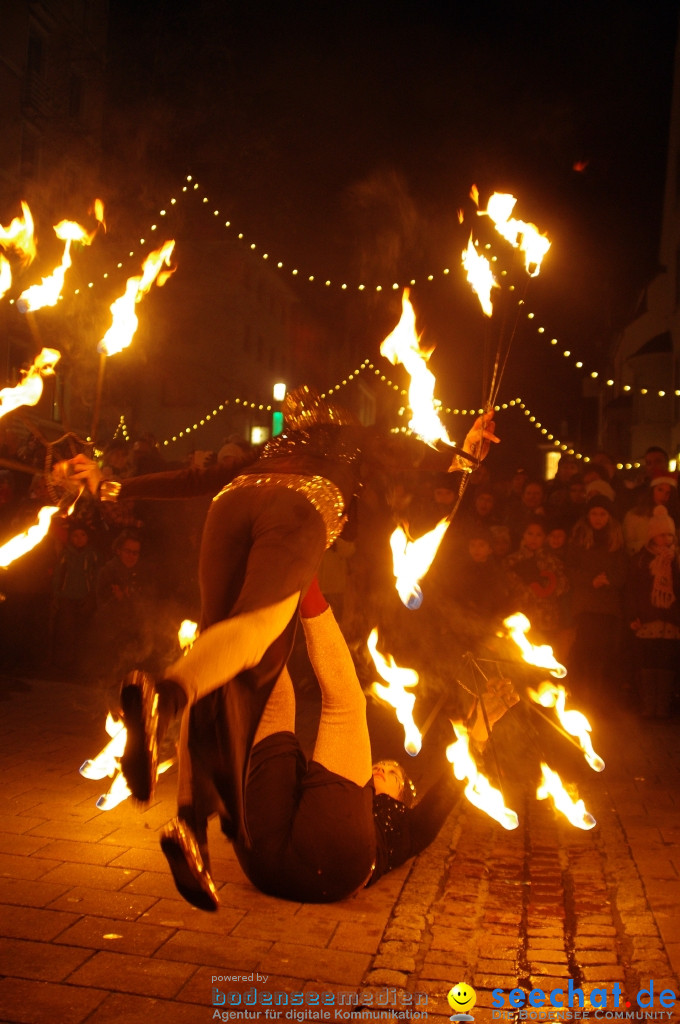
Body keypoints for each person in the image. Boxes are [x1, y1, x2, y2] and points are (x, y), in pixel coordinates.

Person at [71, 389, 498, 849]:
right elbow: (409, 450)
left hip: (230, 504)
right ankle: (166, 705)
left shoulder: (269, 451)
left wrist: (110, 486)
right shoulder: (353, 437)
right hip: (298, 509)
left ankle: (190, 825)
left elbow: (193, 479)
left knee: (218, 657)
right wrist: (463, 456)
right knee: (257, 631)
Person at [158, 578, 518, 910]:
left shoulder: (408, 828)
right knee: (271, 688)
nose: (381, 767)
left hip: (329, 870)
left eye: (392, 773)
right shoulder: (327, 789)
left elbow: (447, 794)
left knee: (346, 703)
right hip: (262, 857)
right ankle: (253, 598)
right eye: (384, 764)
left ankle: (305, 579)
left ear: (402, 797)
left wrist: (479, 732)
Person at [626, 505, 680, 718]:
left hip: (672, 622)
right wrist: (633, 616)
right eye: (661, 535)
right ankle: (648, 707)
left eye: (669, 535)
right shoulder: (640, 560)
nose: (665, 539)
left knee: (667, 665)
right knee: (647, 663)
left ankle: (662, 708)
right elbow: (632, 590)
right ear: (652, 536)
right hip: (647, 621)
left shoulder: (677, 560)